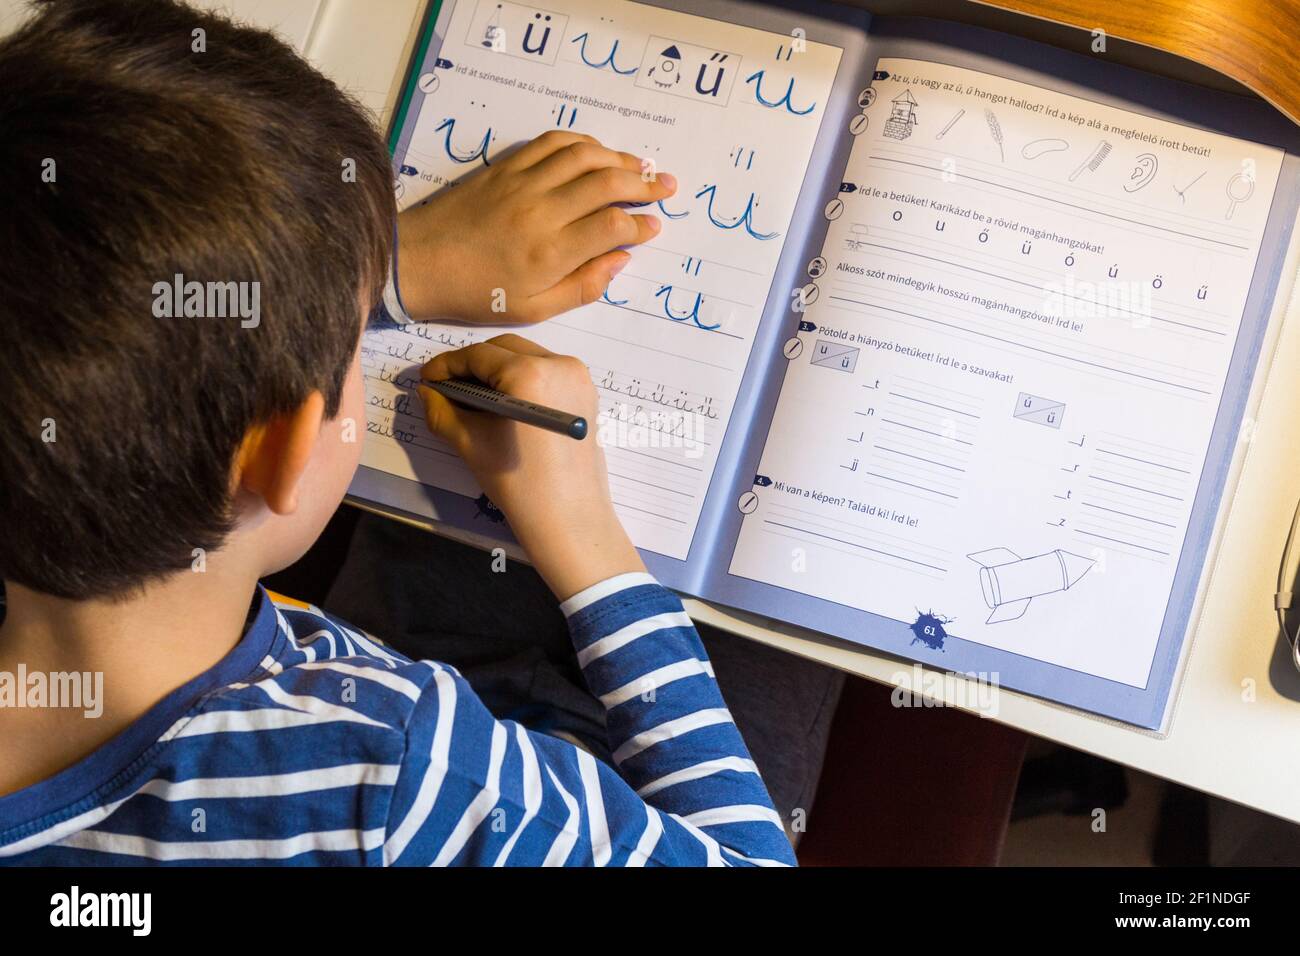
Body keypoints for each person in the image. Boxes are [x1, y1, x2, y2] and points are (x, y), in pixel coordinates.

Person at [0, 0, 813, 865]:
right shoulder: (402, 779)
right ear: (281, 449)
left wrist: (363, 274)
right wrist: (591, 545)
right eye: (355, 341)